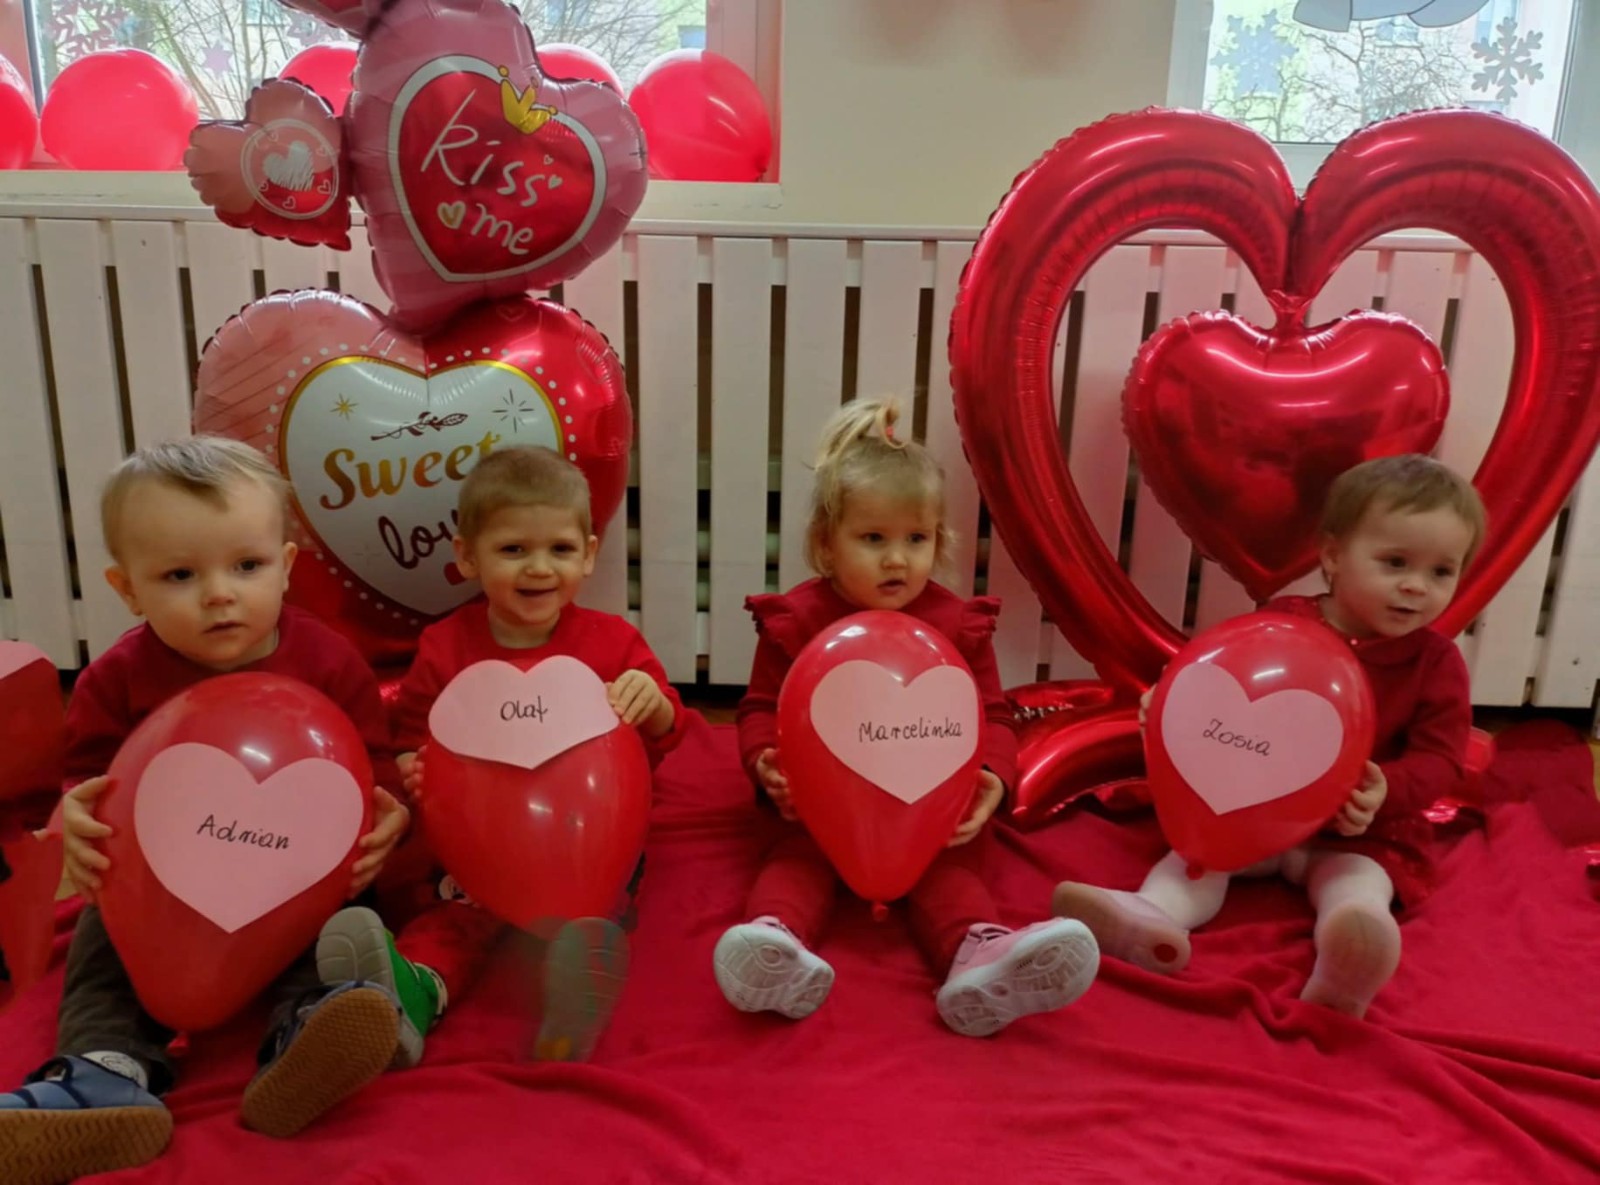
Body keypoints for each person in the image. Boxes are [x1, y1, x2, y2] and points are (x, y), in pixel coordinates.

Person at [0, 437, 411, 1183]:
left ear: (286, 566)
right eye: (180, 575)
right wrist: (74, 826)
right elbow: (86, 781)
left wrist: (389, 820)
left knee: (342, 927)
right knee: (102, 938)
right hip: (162, 885)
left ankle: (308, 1034)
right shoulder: (115, 680)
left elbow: (373, 772)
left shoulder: (330, 663)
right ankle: (105, 1068)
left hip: (295, 872)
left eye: (246, 566)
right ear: (128, 589)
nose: (219, 593)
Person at [713, 399, 1099, 1037]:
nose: (897, 559)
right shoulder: (797, 624)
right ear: (826, 545)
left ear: (938, 541)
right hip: (821, 804)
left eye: (916, 539)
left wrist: (992, 778)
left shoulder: (957, 627)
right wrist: (765, 764)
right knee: (795, 859)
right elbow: (759, 707)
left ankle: (977, 952)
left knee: (952, 865)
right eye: (874, 539)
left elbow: (993, 714)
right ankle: (775, 942)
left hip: (925, 805)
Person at [1054, 454, 1487, 1019]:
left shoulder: (1436, 662)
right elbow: (1223, 681)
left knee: (1358, 882)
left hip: (1356, 829)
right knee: (1199, 856)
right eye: (1395, 562)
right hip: (1255, 811)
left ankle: (1350, 951)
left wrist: (1387, 789)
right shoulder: (1283, 623)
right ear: (1333, 556)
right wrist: (1171, 708)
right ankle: (1151, 917)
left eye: (1441, 572)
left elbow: (1441, 759)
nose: (1415, 587)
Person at [317, 445, 686, 1063]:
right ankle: (408, 997)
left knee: (592, 906)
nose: (539, 568)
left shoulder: (613, 643)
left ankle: (575, 989)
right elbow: (410, 739)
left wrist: (654, 704)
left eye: (560, 549)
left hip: (587, 844)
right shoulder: (445, 647)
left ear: (588, 553)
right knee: (453, 916)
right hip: (478, 846)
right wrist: (412, 769)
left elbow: (667, 735)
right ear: (467, 556)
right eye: (513, 549)